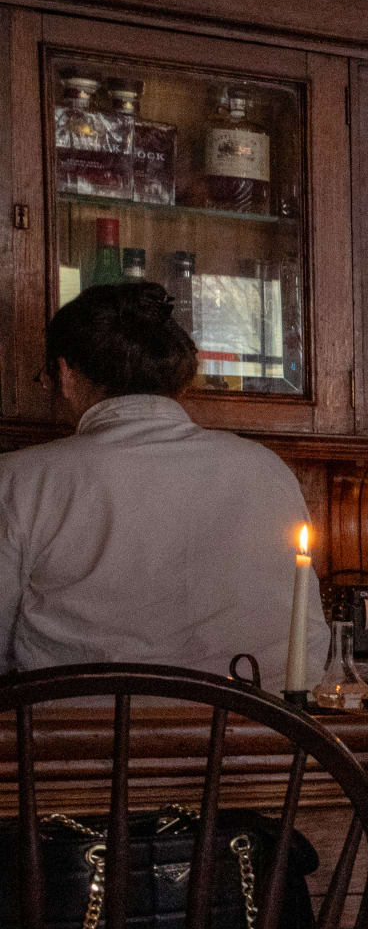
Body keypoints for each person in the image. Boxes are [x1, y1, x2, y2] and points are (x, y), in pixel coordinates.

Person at [0, 281, 328, 677]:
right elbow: (311, 646)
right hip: (260, 732)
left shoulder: (19, 480)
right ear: (181, 379)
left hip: (76, 734)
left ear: (65, 374)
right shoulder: (268, 470)